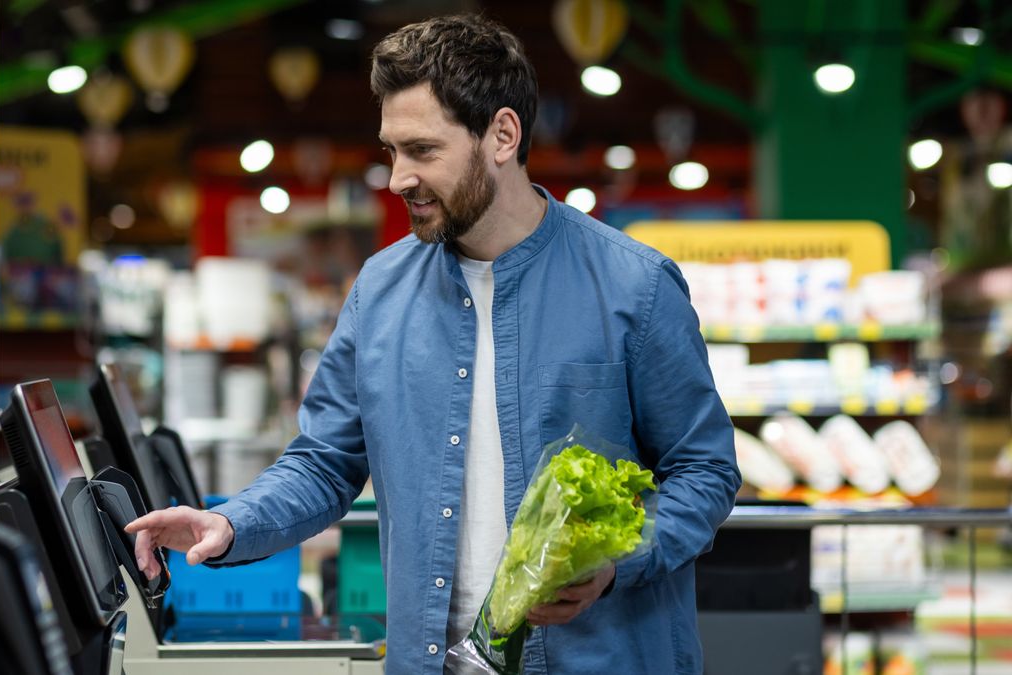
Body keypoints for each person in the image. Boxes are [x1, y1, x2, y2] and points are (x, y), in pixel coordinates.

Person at [127, 13, 740, 674]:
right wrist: (235, 522)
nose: (398, 178)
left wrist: (618, 561)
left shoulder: (634, 286)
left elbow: (704, 469)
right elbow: (326, 460)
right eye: (392, 150)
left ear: (502, 134)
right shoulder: (380, 290)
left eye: (422, 150)